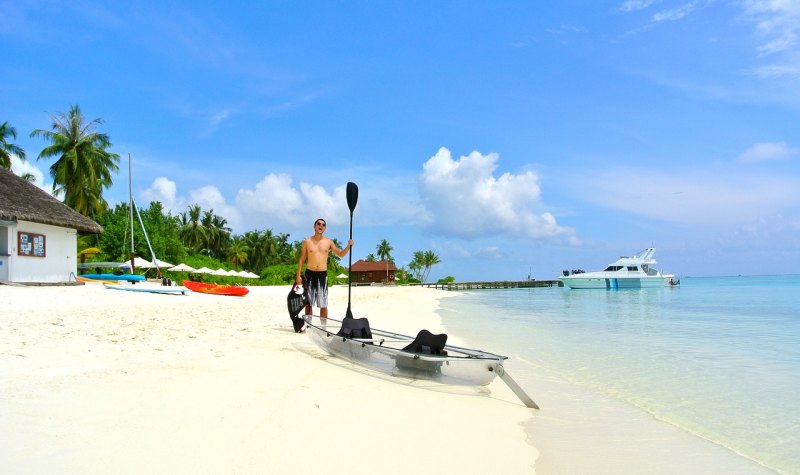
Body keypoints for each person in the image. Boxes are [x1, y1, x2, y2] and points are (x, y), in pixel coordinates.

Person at [295, 218, 354, 328]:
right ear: (314, 226)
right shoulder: (307, 241)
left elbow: (340, 254)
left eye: (323, 225)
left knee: (323, 304)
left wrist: (349, 246)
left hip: (322, 275)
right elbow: (302, 259)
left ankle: (323, 327)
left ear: (325, 228)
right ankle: (309, 326)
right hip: (309, 274)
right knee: (308, 303)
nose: (321, 226)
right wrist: (298, 275)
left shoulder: (328, 242)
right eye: (318, 224)